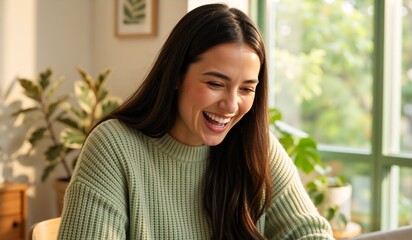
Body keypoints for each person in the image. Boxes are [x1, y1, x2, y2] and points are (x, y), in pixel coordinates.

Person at [58, 3, 334, 240]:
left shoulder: (256, 147)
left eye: (247, 89)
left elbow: (309, 231)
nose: (231, 105)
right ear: (176, 75)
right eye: (215, 83)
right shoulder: (114, 146)